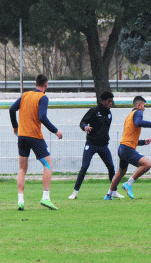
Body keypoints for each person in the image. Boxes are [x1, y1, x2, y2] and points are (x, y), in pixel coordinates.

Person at [9, 73, 63, 210]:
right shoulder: (43, 97)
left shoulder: (25, 95)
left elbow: (11, 109)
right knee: (48, 164)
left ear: (35, 84)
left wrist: (15, 126)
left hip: (22, 136)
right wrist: (55, 131)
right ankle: (45, 197)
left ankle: (20, 201)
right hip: (34, 136)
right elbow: (42, 116)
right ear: (46, 85)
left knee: (22, 168)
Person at [104, 96, 151, 200]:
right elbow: (139, 123)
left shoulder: (129, 115)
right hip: (127, 149)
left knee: (121, 172)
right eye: (144, 106)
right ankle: (128, 183)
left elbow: (129, 136)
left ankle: (109, 194)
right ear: (139, 105)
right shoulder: (138, 112)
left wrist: (142, 142)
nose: (144, 108)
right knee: (147, 164)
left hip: (122, 147)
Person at [68, 91, 124, 200]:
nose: (110, 103)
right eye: (109, 101)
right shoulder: (94, 111)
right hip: (91, 144)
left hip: (103, 146)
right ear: (103, 101)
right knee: (84, 167)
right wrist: (85, 127)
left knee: (111, 167)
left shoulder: (109, 114)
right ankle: (75, 192)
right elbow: (82, 122)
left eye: (112, 101)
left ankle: (114, 191)